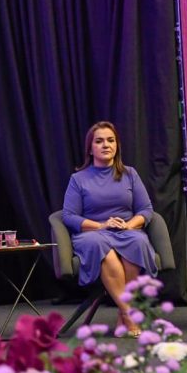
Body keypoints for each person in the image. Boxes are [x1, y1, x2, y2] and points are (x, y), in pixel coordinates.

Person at [62, 122, 158, 337]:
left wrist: (129, 225)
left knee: (138, 241)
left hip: (125, 231)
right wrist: (101, 225)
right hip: (92, 234)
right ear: (90, 148)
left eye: (110, 140)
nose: (105, 145)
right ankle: (128, 312)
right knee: (100, 244)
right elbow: (69, 216)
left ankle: (124, 316)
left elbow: (146, 209)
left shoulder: (130, 174)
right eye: (99, 141)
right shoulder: (78, 179)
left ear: (117, 145)